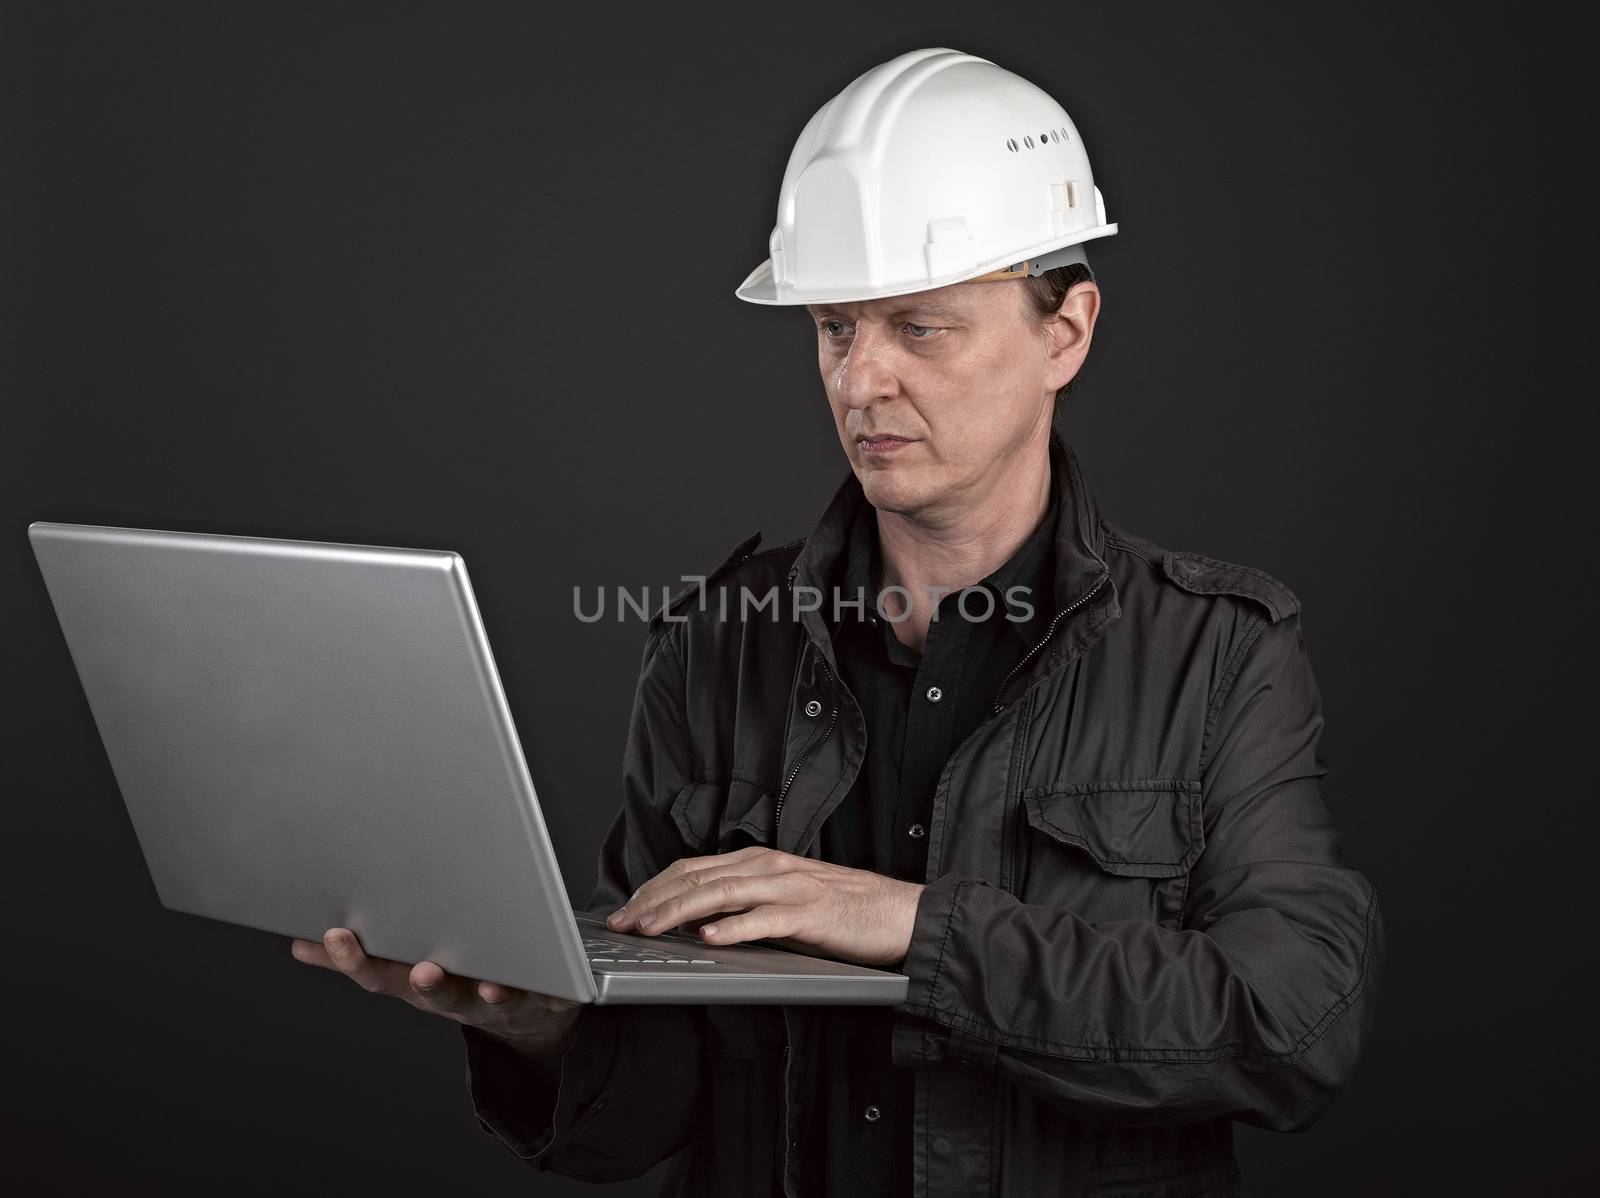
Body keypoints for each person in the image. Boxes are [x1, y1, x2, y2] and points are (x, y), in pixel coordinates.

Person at [291, 48, 1383, 1197]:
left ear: (1065, 333)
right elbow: (644, 1118)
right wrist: (538, 1026)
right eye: (832, 328)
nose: (860, 382)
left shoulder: (1214, 656)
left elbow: (1291, 1028)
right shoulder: (717, 644)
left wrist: (914, 928)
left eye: (920, 328)